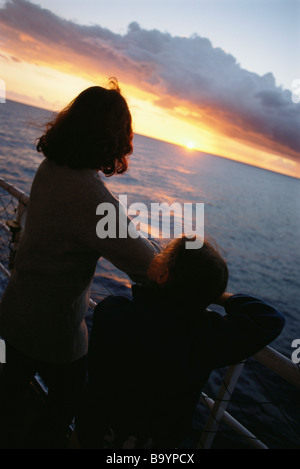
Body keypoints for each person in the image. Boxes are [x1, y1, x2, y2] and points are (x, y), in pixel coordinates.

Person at [0, 80, 158, 448]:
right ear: (113, 140)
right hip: (54, 332)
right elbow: (147, 264)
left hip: (15, 308)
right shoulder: (94, 200)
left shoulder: (49, 166)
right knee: (62, 411)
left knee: (7, 403)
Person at [75, 235, 285, 449]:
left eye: (163, 255)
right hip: (156, 443)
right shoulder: (205, 336)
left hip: (93, 431)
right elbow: (269, 319)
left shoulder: (112, 312)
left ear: (163, 274)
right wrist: (217, 295)